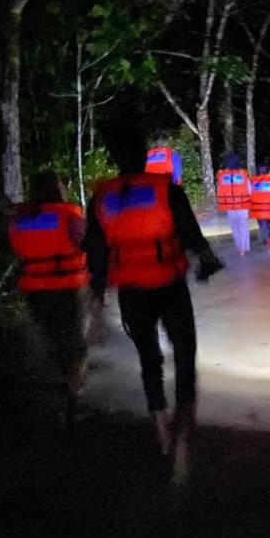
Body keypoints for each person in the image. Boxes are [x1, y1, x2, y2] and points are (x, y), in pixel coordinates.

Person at [84, 123, 223, 485]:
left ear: (115, 158)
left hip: (131, 291)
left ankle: (160, 425)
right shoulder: (166, 189)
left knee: (149, 359)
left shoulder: (101, 198)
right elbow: (192, 236)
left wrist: (96, 300)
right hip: (169, 285)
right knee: (185, 353)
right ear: (145, 155)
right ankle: (183, 431)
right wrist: (207, 262)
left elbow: (96, 255)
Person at [6, 171, 89, 425]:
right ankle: (72, 402)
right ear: (58, 189)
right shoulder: (68, 215)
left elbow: (14, 248)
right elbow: (87, 242)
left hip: (35, 290)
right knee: (73, 344)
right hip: (68, 288)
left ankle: (51, 396)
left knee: (51, 338)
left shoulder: (21, 218)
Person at [216, 153, 252, 256]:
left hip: (230, 206)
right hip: (242, 205)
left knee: (234, 226)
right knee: (243, 226)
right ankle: (243, 249)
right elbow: (250, 190)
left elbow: (219, 189)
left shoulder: (222, 176)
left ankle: (238, 246)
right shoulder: (243, 175)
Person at [251, 163, 270, 251]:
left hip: (259, 211)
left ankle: (267, 244)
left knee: (264, 227)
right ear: (269, 171)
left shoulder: (252, 181)